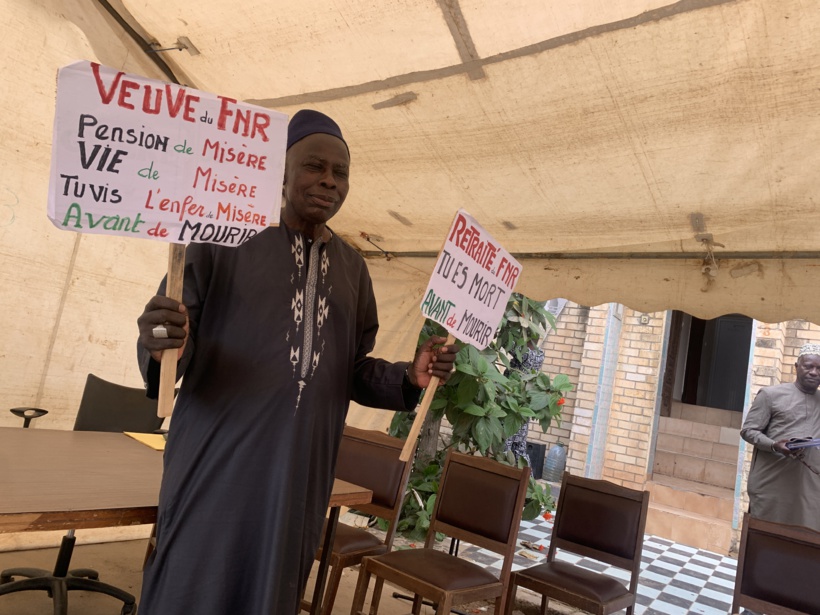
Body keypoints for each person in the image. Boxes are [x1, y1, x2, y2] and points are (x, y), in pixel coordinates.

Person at [135, 109, 457, 615]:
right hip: (216, 465)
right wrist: (160, 338)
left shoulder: (353, 270)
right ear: (280, 172)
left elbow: (350, 369)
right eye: (314, 166)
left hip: (302, 478)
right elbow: (175, 348)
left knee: (272, 594)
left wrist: (407, 378)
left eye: (341, 172)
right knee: (191, 585)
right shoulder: (219, 237)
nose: (329, 180)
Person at [740, 343, 820, 532]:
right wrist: (774, 445)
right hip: (773, 485)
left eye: (819, 368)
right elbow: (748, 430)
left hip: (809, 490)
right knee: (767, 537)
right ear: (796, 367)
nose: (814, 372)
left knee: (804, 542)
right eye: (808, 366)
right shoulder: (771, 395)